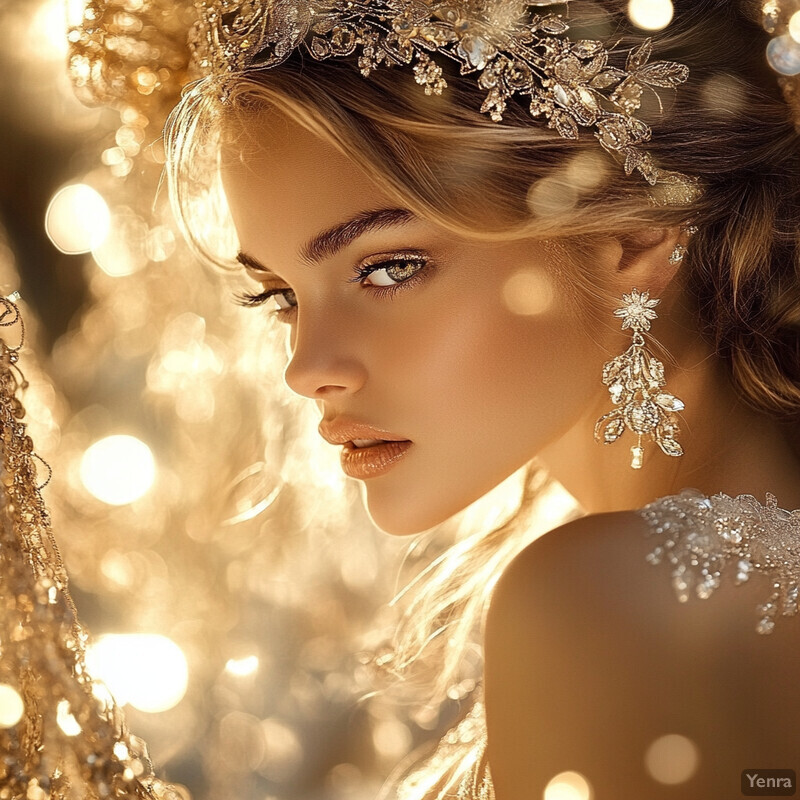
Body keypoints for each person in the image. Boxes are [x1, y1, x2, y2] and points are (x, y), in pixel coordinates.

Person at [158, 0, 800, 797]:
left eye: (388, 267)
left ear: (633, 235)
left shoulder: (606, 598)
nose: (306, 367)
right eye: (280, 295)